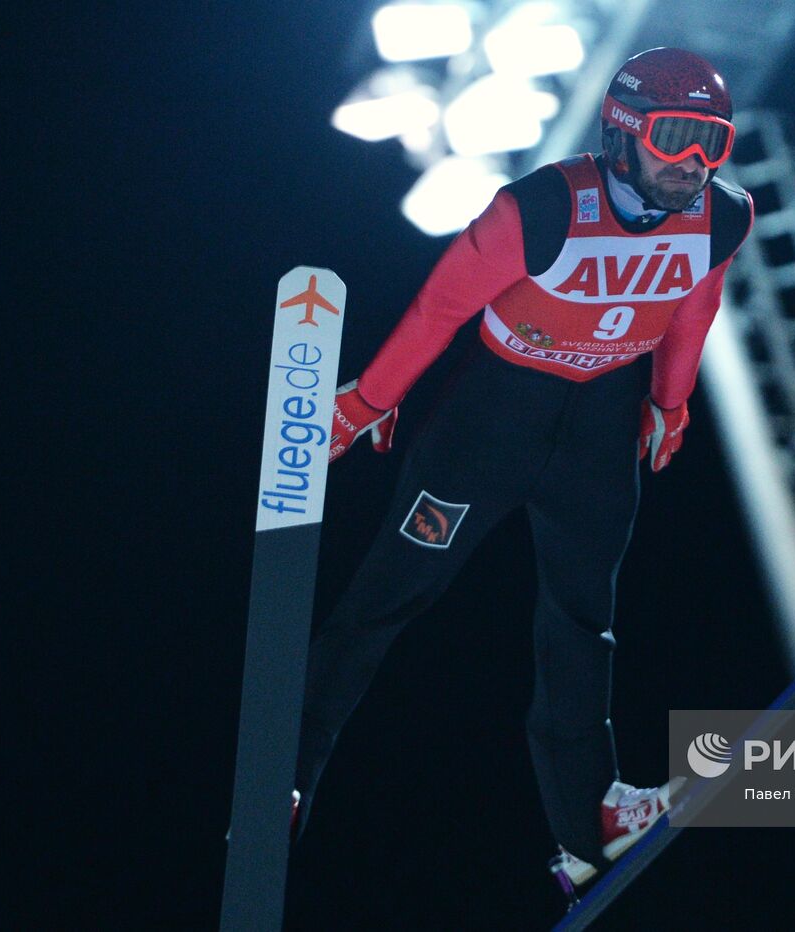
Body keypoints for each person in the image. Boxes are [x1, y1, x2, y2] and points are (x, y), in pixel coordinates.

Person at [295, 46, 753, 889]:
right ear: (621, 132)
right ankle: (289, 775)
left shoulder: (724, 215)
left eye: (712, 142)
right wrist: (368, 401)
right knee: (389, 597)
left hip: (601, 428)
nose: (694, 163)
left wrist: (671, 400)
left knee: (581, 619)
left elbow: (697, 301)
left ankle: (591, 825)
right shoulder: (540, 206)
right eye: (676, 137)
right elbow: (442, 306)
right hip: (493, 420)